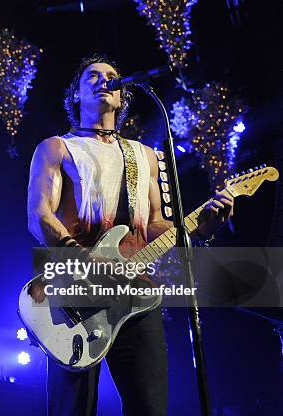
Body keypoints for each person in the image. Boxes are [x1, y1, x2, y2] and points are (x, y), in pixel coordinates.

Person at [27, 54, 234, 416]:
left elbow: (153, 223)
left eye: (111, 76)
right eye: (92, 76)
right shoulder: (58, 148)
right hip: (77, 291)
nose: (103, 80)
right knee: (73, 409)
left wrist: (200, 227)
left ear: (122, 97)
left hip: (137, 294)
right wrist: (84, 257)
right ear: (75, 94)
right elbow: (39, 214)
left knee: (150, 408)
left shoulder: (145, 156)